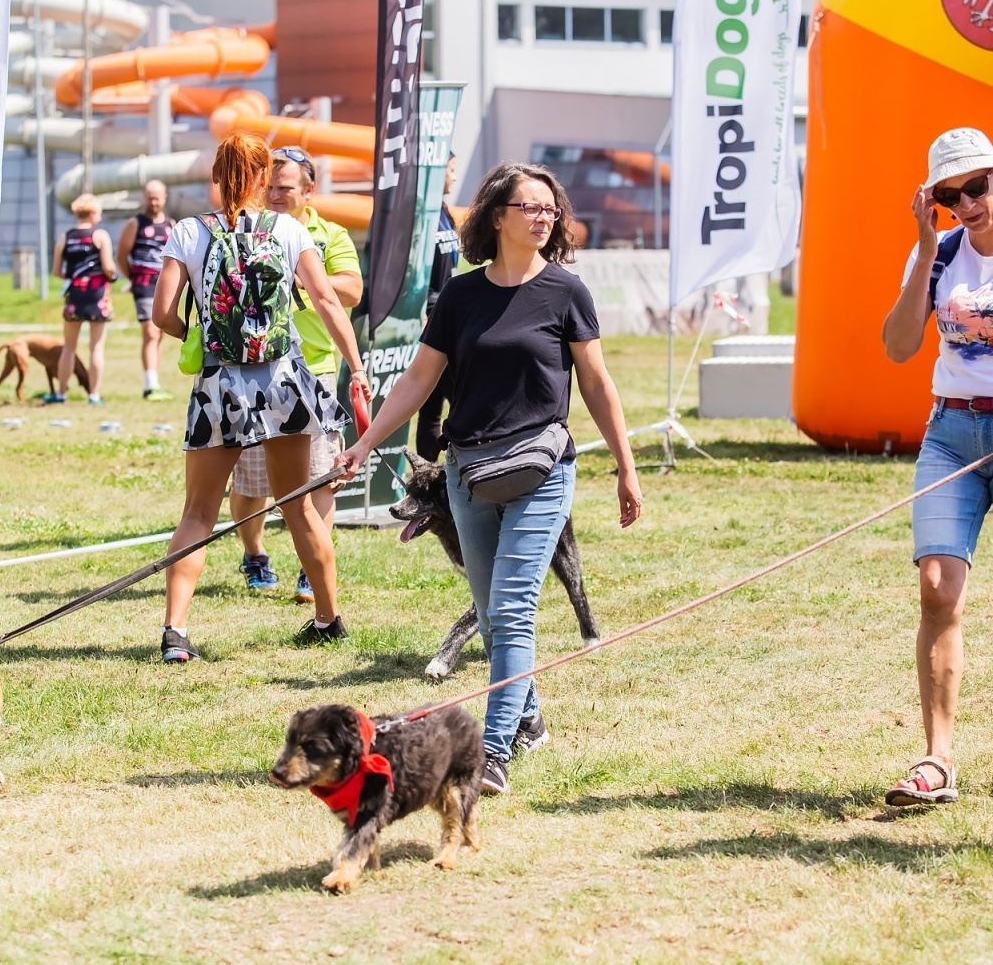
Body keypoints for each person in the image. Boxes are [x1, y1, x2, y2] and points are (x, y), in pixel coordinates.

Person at [338, 162, 643, 796]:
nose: (544, 217)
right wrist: (365, 443)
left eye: (550, 208)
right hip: (467, 471)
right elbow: (419, 379)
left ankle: (494, 750)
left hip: (542, 469)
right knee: (491, 611)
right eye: (530, 206)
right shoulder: (461, 297)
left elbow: (596, 383)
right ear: (497, 217)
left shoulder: (566, 292)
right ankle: (529, 719)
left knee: (511, 608)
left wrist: (626, 466)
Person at [879, 128, 993, 807]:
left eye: (976, 187)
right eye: (949, 195)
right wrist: (926, 250)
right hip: (951, 433)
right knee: (937, 588)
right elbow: (898, 346)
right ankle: (937, 759)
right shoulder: (937, 254)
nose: (966, 203)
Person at [151, 132, 369, 662]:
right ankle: (327, 618)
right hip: (282, 385)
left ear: (216, 176)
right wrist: (357, 366)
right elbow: (326, 300)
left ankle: (175, 632)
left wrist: (194, 335)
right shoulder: (289, 229)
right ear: (261, 179)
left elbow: (161, 314)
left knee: (198, 513)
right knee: (299, 506)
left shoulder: (188, 231)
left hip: (218, 387)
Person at [228, 147, 364, 601]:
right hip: (256, 369)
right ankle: (254, 553)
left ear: (309, 191)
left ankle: (312, 566)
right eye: (269, 187)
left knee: (320, 474)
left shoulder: (331, 234)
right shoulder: (246, 231)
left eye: (285, 188)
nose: (274, 195)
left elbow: (351, 290)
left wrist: (302, 275)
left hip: (315, 369)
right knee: (251, 481)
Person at [48, 193, 116, 405]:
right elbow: (108, 267)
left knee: (69, 347)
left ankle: (61, 393)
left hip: (74, 295)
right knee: (96, 347)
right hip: (97, 295)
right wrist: (112, 275)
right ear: (93, 213)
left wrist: (75, 278)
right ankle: (93, 395)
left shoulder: (65, 237)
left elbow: (56, 271)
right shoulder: (100, 235)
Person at [416, 153, 463, 460]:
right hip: (431, 320)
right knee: (460, 399)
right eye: (451, 170)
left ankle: (431, 475)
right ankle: (431, 476)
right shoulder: (419, 214)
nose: (454, 177)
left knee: (432, 407)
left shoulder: (443, 211)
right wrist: (420, 316)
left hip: (448, 315)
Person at [117, 180, 177, 401]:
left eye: (157, 197)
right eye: (150, 197)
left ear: (164, 197)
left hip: (165, 286)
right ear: (144, 198)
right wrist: (133, 278)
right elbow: (121, 255)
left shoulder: (171, 224)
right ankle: (150, 384)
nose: (153, 202)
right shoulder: (136, 223)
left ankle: (155, 379)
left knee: (160, 332)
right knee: (150, 332)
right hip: (143, 284)